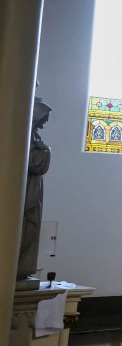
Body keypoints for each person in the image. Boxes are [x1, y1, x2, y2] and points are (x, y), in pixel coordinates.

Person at [19, 98, 52, 281]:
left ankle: (21, 267)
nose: (43, 126)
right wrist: (46, 152)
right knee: (24, 227)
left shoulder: (33, 136)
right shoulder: (22, 135)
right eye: (42, 121)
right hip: (26, 189)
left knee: (29, 230)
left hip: (33, 188)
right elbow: (35, 162)